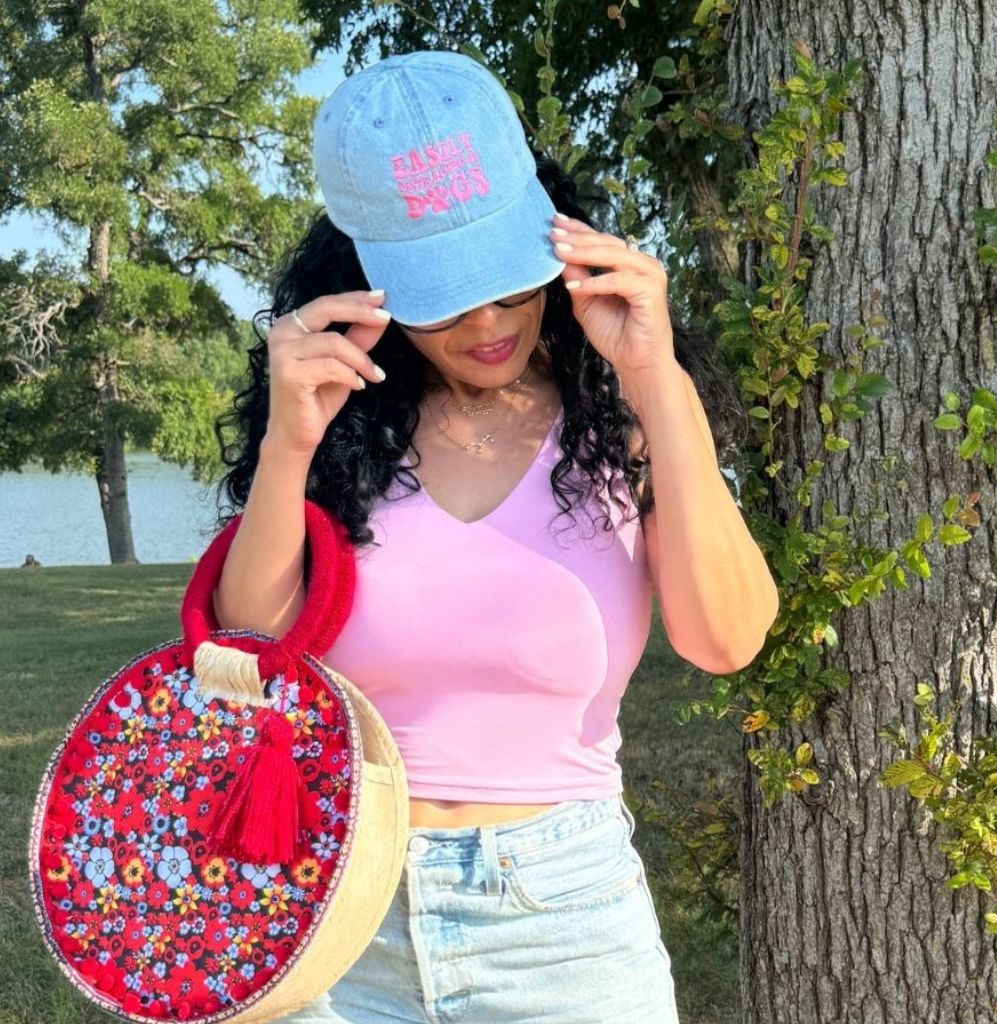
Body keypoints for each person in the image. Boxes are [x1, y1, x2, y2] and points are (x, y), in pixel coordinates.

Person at [212, 48, 747, 1024]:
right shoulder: (343, 421)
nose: (489, 321)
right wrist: (290, 443)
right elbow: (250, 646)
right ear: (367, 274)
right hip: (330, 912)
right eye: (444, 293)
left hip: (561, 930)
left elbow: (726, 639)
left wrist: (655, 379)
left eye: (506, 279)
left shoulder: (619, 417)